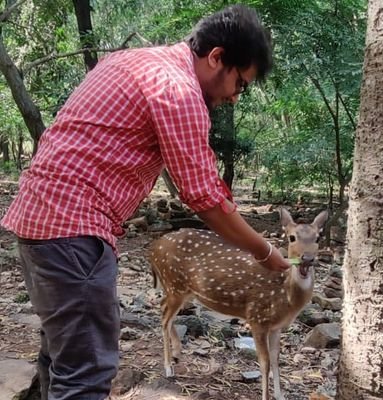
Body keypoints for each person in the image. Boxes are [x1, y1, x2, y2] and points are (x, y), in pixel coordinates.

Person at [1, 4, 291, 399]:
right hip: (75, 231)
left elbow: (203, 177)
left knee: (61, 359)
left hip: (38, 225)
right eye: (240, 83)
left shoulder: (132, 61)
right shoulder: (179, 90)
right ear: (217, 57)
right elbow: (202, 196)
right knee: (86, 375)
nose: (235, 98)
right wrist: (265, 251)